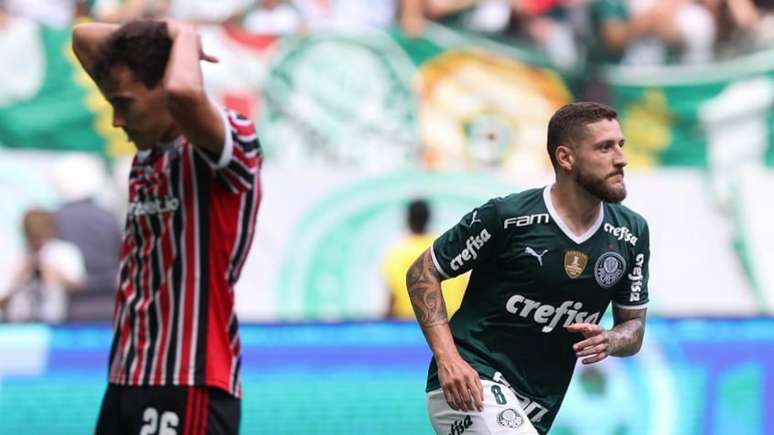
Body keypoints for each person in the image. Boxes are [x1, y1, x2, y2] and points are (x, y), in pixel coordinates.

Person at [407, 101, 650, 435]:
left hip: (537, 404)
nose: (621, 159)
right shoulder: (507, 217)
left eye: (620, 146)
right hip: (471, 383)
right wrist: (449, 360)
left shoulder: (630, 234)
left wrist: (611, 339)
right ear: (566, 158)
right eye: (605, 148)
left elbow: (633, 325)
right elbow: (423, 273)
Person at [71, 18, 262, 435]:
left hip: (187, 380)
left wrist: (185, 34)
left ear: (162, 89)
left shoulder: (230, 139)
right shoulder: (149, 147)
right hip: (127, 374)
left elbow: (184, 92)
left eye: (125, 104)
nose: (118, 120)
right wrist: (157, 36)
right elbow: (81, 37)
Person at [383, 199, 467, 319]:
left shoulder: (397, 254)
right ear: (429, 218)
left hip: (409, 325)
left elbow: (393, 301)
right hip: (449, 324)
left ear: (408, 219)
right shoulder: (446, 249)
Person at [0, 209, 85, 323]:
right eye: (33, 234)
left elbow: (80, 286)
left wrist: (58, 277)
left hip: (56, 324)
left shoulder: (64, 252)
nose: (37, 239)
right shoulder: (12, 255)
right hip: (17, 325)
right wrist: (17, 278)